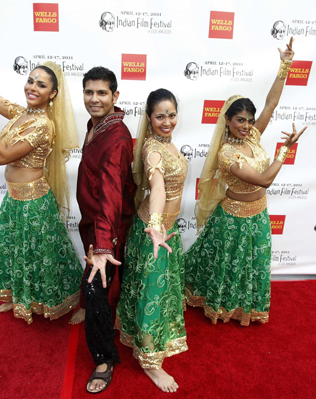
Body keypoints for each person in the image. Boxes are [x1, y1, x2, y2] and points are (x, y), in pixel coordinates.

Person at [0, 5, 83, 324]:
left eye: (41, 85)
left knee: (44, 257)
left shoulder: (43, 126)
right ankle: (20, 298)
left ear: (53, 94)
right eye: (30, 80)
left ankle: (68, 302)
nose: (32, 87)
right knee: (16, 253)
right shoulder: (20, 113)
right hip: (13, 198)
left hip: (34, 203)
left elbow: (1, 156)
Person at [185, 38, 306, 326]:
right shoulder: (226, 154)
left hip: (259, 215)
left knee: (253, 265)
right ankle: (221, 306)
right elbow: (264, 180)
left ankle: (246, 307)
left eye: (249, 120)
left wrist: (285, 64)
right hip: (233, 220)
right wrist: (285, 151)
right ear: (227, 121)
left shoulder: (252, 136)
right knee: (228, 267)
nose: (246, 125)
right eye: (240, 120)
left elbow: (272, 103)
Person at [116, 89, 188, 393]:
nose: (167, 120)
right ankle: (151, 364)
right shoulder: (152, 150)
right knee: (151, 297)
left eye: (171, 114)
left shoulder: (168, 144)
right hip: (153, 232)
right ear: (149, 118)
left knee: (153, 291)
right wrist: (156, 226)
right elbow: (157, 186)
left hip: (164, 232)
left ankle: (134, 330)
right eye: (160, 116)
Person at [76, 66, 136, 393]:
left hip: (108, 228)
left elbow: (112, 194)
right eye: (89, 92)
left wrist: (103, 247)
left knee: (95, 288)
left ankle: (104, 358)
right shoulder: (97, 125)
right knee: (94, 287)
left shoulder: (116, 138)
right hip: (92, 221)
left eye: (102, 93)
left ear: (115, 96)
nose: (94, 99)